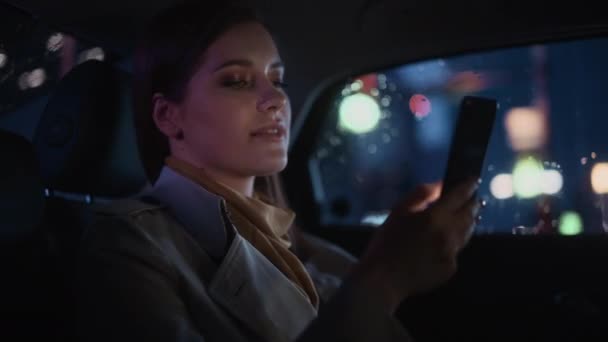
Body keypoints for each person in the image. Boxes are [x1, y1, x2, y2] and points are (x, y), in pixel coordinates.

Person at [75, 1, 482, 341]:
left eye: (277, 79)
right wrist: (385, 280)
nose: (275, 99)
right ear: (168, 116)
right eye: (236, 81)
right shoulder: (125, 245)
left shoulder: (286, 237)